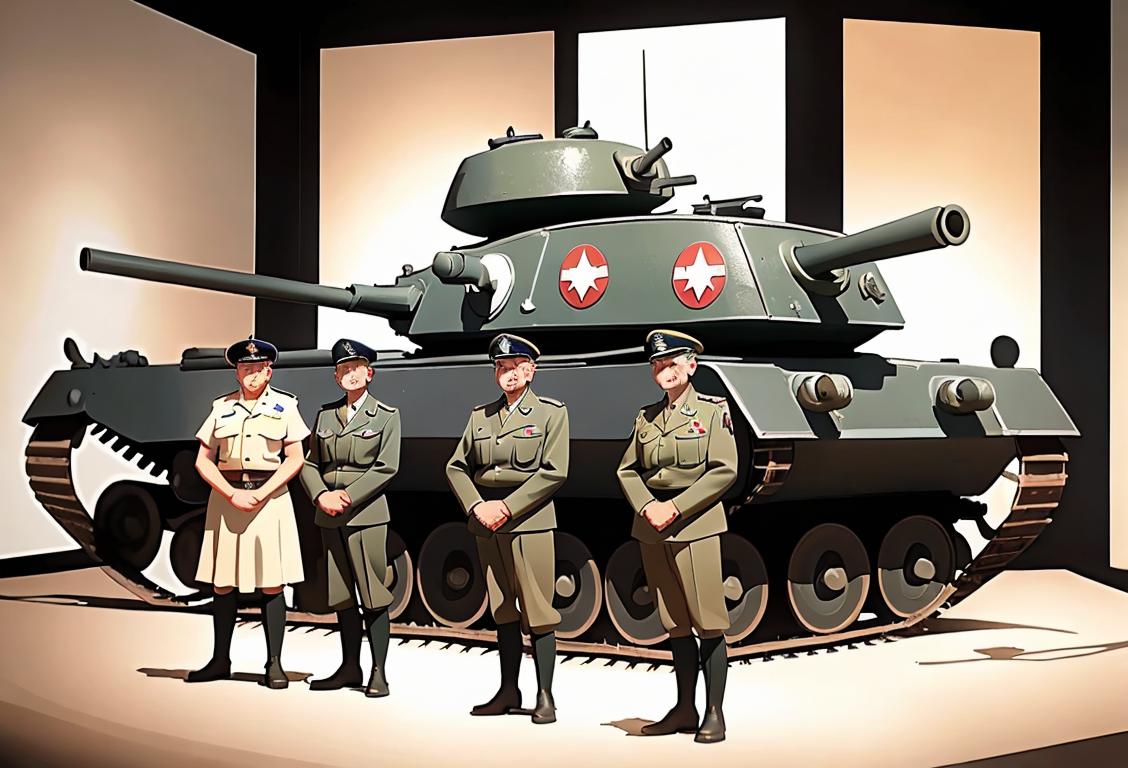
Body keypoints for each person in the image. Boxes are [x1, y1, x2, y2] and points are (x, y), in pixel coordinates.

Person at [616, 329, 738, 743]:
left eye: (671, 363)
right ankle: (684, 708)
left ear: (691, 365)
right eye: (657, 365)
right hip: (653, 529)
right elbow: (627, 469)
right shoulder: (647, 418)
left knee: (708, 622)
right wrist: (648, 506)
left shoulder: (711, 412)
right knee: (675, 623)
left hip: (695, 527)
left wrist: (676, 507)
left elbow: (724, 469)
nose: (663, 370)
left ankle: (714, 713)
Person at [444, 333, 569, 725]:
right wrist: (477, 504)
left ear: (531, 371)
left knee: (539, 610)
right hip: (488, 525)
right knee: (502, 609)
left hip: (529, 522)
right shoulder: (480, 416)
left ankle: (544, 695)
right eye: (501, 367)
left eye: (515, 367)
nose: (507, 373)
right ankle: (508, 689)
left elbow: (555, 470)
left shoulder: (551, 413)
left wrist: (508, 506)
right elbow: (456, 466)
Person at [187, 336, 310, 688]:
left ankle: (274, 664)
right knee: (223, 582)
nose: (252, 374)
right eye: (245, 368)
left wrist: (262, 494)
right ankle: (219, 660)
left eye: (258, 368)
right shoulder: (220, 408)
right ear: (236, 372)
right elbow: (203, 460)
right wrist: (230, 493)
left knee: (271, 583)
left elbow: (296, 458)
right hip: (227, 500)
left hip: (269, 499)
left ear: (269, 372)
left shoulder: (285, 407)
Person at [300, 338, 400, 697]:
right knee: (342, 596)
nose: (350, 374)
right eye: (343, 369)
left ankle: (378, 672)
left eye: (356, 368)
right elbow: (311, 463)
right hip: (330, 516)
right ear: (336, 376)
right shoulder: (326, 415)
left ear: (369, 374)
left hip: (366, 515)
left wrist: (347, 496)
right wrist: (320, 495)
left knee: (373, 595)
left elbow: (387, 466)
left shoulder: (387, 416)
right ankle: (349, 668)